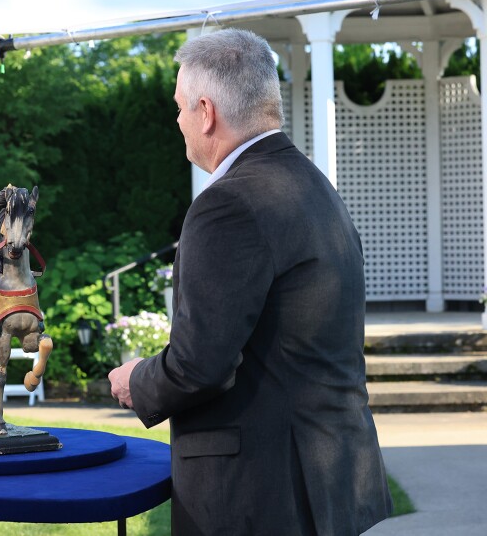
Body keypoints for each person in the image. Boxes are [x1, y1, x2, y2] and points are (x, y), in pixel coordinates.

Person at [108, 29, 392, 535]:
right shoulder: (316, 187)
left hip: (264, 493)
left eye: (178, 108)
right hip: (337, 477)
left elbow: (200, 366)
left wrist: (138, 381)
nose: (176, 122)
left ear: (206, 110)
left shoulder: (227, 204)